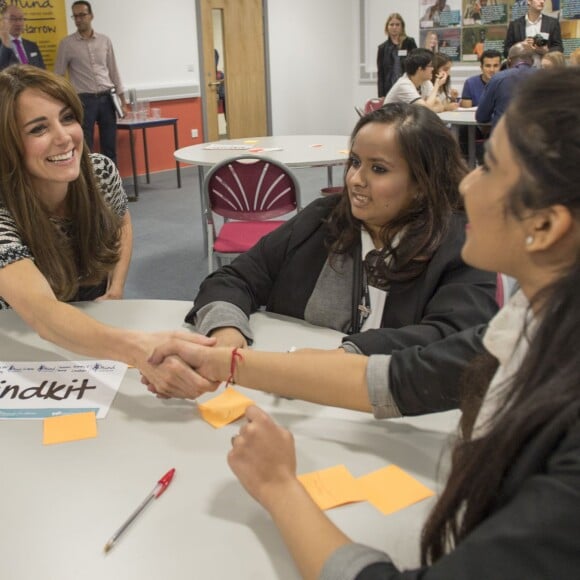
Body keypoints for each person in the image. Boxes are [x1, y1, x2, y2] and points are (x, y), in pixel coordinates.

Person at [171, 68, 580, 579]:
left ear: (545, 226)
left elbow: (431, 351)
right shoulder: (529, 326)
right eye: (354, 164)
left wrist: (278, 486)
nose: (468, 181)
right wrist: (226, 353)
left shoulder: (461, 256)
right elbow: (405, 375)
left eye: (489, 167)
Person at [142, 104, 498, 408]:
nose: (355, 179)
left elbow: (459, 341)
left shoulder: (462, 242)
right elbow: (234, 278)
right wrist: (225, 334)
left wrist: (342, 360)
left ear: (423, 183)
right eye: (354, 162)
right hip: (290, 406)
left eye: (379, 169)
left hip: (389, 416)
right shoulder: (323, 219)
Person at [0, 65, 212, 389]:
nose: (64, 137)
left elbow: (121, 222)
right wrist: (141, 350)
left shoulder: (99, 171)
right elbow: (43, 314)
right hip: (19, 334)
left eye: (68, 118)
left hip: (89, 311)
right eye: (39, 129)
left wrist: (116, 288)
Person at [54, 1, 127, 165]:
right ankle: (90, 186)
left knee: (109, 145)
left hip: (107, 99)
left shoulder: (104, 41)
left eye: (82, 15)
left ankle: (111, 184)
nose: (79, 19)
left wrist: (123, 101)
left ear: (91, 16)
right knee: (85, 147)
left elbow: (114, 70)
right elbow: (58, 75)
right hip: (83, 100)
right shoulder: (67, 44)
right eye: (75, 16)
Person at [476, 42, 535, 128]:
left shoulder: (497, 78)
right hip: (538, 138)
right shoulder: (547, 77)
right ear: (532, 61)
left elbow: (481, 117)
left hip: (504, 137)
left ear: (509, 61)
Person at [383, 48, 449, 112]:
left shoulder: (426, 82)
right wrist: (437, 86)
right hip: (389, 121)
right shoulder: (404, 84)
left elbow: (440, 106)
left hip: (407, 121)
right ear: (419, 69)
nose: (433, 69)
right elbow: (426, 110)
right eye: (430, 65)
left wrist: (429, 108)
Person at [504, 0, 563, 65]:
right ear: (529, 1)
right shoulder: (515, 25)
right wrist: (521, 46)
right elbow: (506, 51)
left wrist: (546, 51)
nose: (542, 2)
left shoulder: (552, 23)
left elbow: (559, 48)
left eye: (544, 0)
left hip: (545, 69)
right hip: (523, 69)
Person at [376, 13, 417, 98]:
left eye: (397, 24)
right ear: (387, 27)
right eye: (391, 24)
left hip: (408, 86)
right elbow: (381, 74)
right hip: (389, 88)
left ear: (402, 27)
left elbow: (416, 65)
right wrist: (381, 95)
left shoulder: (409, 42)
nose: (394, 27)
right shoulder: (382, 48)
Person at [0, 4, 45, 70]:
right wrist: (5, 43)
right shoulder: (2, 45)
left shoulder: (32, 46)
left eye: (21, 19)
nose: (18, 23)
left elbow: (43, 71)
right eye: (13, 19)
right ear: (3, 22)